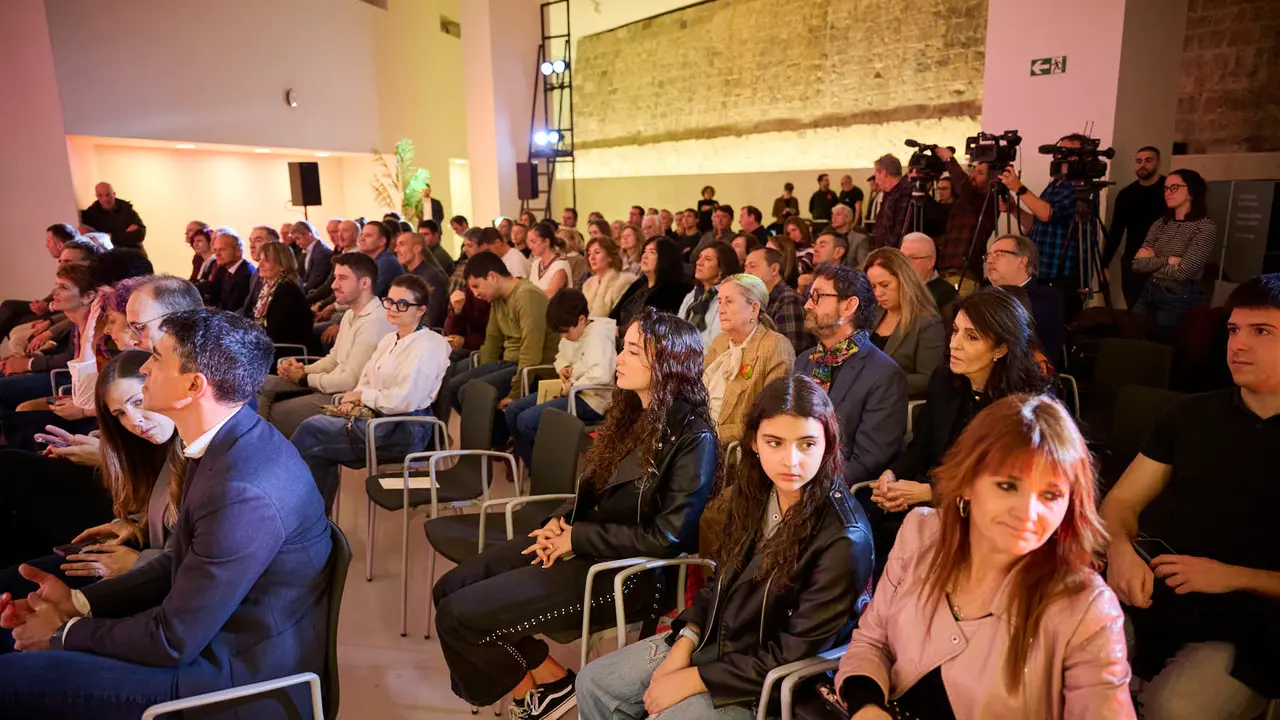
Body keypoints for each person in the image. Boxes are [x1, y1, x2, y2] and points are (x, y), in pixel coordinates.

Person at [0, 309, 333, 718]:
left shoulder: (241, 489)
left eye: (157, 357)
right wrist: (79, 602)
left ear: (194, 385)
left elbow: (172, 640)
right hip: (211, 644)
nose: (145, 365)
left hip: (233, 678)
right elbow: (177, 558)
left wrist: (61, 633)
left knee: (11, 680)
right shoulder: (225, 438)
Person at [432, 309, 718, 718]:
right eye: (624, 347)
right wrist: (561, 522)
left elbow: (665, 537)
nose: (619, 358)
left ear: (669, 363)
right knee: (448, 589)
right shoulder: (631, 411)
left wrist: (575, 538)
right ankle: (549, 681)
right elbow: (593, 487)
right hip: (587, 544)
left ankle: (530, 693)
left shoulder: (694, 437)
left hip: (631, 574)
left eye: (633, 351)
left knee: (459, 616)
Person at [576, 375, 876, 720]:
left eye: (807, 444)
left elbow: (792, 654)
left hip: (769, 682)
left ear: (828, 444)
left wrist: (695, 678)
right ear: (753, 443)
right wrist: (686, 641)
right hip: (718, 644)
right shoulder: (754, 495)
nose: (791, 461)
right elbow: (719, 582)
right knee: (593, 682)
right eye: (775, 442)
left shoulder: (845, 537)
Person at [835, 395, 1134, 719]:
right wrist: (867, 706)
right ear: (967, 483)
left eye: (1050, 495)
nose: (1028, 513)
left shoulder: (1086, 607)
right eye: (1007, 486)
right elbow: (872, 641)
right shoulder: (921, 533)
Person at [1101, 274, 1280, 719]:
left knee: (1174, 710)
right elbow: (1120, 505)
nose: (1238, 344)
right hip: (1159, 599)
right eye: (1234, 330)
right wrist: (1121, 548)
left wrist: (1233, 576)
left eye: (1262, 332)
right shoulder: (1189, 416)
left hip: (1253, 627)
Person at [869, 288, 1051, 574]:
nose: (954, 344)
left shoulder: (1026, 405)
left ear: (1000, 349)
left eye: (972, 337)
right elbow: (922, 446)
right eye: (955, 331)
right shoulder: (945, 380)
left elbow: (1008, 485)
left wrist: (930, 493)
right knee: (867, 528)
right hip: (931, 501)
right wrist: (893, 474)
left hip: (985, 521)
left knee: (895, 549)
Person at [0, 351, 178, 606]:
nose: (135, 420)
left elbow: (201, 564)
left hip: (151, 562)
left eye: (138, 402)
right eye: (120, 414)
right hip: (140, 529)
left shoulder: (205, 451)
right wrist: (133, 522)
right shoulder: (145, 438)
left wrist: (138, 560)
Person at [292, 274, 450, 512]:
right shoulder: (389, 339)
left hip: (404, 428)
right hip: (375, 418)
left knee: (312, 429)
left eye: (403, 304)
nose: (393, 309)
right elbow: (366, 378)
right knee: (316, 451)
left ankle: (303, 521)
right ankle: (314, 524)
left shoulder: (430, 345)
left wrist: (361, 397)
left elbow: (405, 400)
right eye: (390, 301)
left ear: (421, 310)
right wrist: (354, 398)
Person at [261, 253, 394, 438]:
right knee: (259, 383)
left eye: (342, 278)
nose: (333, 285)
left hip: (345, 398)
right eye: (335, 277)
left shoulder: (375, 322)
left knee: (272, 413)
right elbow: (333, 360)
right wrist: (303, 370)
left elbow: (349, 382)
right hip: (330, 385)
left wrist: (303, 379)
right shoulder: (350, 314)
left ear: (364, 283)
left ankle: (263, 456)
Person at [796, 265, 906, 487]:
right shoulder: (805, 360)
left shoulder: (884, 374)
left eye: (818, 296)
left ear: (849, 306)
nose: (808, 304)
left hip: (839, 492)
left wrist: (810, 483)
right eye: (809, 296)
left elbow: (869, 460)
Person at [442, 252, 558, 440]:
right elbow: (492, 343)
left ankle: (497, 439)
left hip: (534, 369)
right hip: (510, 363)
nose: (475, 294)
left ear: (492, 276)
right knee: (454, 387)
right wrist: (484, 374)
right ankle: (495, 439)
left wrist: (515, 393)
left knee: (469, 392)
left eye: (476, 286)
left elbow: (532, 350)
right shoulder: (497, 300)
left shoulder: (527, 295)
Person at [504, 289, 615, 467]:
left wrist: (572, 383)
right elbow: (561, 356)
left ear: (581, 320)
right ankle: (534, 464)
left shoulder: (599, 336)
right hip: (571, 391)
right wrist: (562, 367)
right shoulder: (572, 331)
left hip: (591, 400)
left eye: (565, 332)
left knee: (526, 421)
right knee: (512, 411)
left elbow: (601, 374)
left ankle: (546, 469)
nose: (563, 337)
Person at [1002, 134, 1088, 319]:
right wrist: (1014, 209)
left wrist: (1020, 188)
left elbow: (1049, 214)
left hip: (1062, 272)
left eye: (1068, 152)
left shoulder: (1077, 185)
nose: (1060, 157)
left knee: (1058, 323)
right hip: (1042, 269)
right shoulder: (1055, 185)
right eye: (1058, 152)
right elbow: (1037, 224)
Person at [703, 274, 795, 444]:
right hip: (704, 438)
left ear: (754, 308)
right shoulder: (719, 342)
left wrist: (712, 434)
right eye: (720, 301)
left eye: (729, 301)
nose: (721, 309)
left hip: (739, 448)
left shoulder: (775, 345)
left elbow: (771, 414)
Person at [1131, 169, 1219, 334]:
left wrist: (1152, 261)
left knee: (1165, 346)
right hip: (1149, 289)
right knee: (1133, 335)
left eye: (1174, 187)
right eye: (1166, 188)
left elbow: (1183, 273)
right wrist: (1169, 260)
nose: (1168, 193)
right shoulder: (1161, 224)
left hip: (1177, 296)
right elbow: (1137, 265)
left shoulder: (1204, 228)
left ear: (1191, 192)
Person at [864, 248, 946, 396]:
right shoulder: (873, 314)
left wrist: (881, 383)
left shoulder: (928, 322)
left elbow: (930, 378)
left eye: (885, 285)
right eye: (873, 287)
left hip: (896, 403)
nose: (878, 293)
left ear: (904, 281)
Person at [984, 233, 1066, 371]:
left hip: (1025, 376)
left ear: (1022, 261)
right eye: (988, 256)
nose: (990, 261)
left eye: (998, 254)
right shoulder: (983, 296)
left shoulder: (1046, 298)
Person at [1102, 146, 1166, 308]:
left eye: (1148, 160)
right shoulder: (1126, 194)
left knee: (1161, 309)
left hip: (1162, 260)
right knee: (1134, 308)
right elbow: (1116, 230)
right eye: (1138, 161)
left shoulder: (1168, 191)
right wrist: (1104, 264)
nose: (1142, 165)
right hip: (1133, 259)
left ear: (1158, 162)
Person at [933, 146, 1001, 281]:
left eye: (980, 173)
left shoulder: (989, 200)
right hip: (945, 270)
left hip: (965, 273)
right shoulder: (965, 200)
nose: (973, 176)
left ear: (992, 179)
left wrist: (949, 159)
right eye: (974, 171)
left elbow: (964, 185)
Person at [247, 241, 314, 361]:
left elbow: (278, 333)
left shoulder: (287, 292)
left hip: (286, 355)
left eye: (266, 260)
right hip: (270, 349)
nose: (259, 265)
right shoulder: (268, 289)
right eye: (260, 260)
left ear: (282, 265)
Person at [610, 237, 690, 333]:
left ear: (665, 258)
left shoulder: (673, 290)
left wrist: (619, 331)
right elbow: (614, 315)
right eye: (644, 251)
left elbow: (654, 328)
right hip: (617, 337)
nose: (644, 256)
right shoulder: (639, 284)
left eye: (652, 252)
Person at [745, 246, 811, 352]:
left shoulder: (788, 299)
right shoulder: (758, 300)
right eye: (745, 267)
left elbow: (789, 351)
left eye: (752, 266)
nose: (746, 272)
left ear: (774, 269)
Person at [679, 241, 742, 347]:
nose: (699, 262)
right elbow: (677, 331)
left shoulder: (729, 298)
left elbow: (717, 344)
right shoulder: (693, 295)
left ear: (721, 269)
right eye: (700, 257)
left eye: (707, 259)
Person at [394, 231, 449, 328]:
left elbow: (431, 317)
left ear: (417, 248)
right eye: (396, 245)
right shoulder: (409, 274)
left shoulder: (431, 276)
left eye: (402, 245)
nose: (396, 250)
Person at [900, 232, 958, 315]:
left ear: (930, 262)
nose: (904, 263)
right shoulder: (895, 287)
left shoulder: (946, 295)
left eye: (911, 258)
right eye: (902, 258)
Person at [198, 230, 255, 312]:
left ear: (238, 251)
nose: (217, 254)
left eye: (222, 249)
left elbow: (233, 309)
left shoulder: (245, 274)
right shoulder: (226, 270)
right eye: (215, 250)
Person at [581, 236, 636, 318]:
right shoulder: (588, 285)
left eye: (597, 252)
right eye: (589, 254)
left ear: (610, 257)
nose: (592, 258)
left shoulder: (623, 282)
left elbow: (620, 318)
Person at [78, 182, 145, 250]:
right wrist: (124, 234)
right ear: (97, 196)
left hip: (133, 254)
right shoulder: (91, 214)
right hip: (110, 256)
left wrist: (110, 236)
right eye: (100, 195)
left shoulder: (126, 209)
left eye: (108, 195)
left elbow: (140, 234)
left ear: (114, 194)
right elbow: (91, 240)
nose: (105, 199)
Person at [871, 155, 912, 250]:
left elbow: (898, 232)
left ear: (884, 173)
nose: (876, 181)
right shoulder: (889, 194)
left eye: (876, 176)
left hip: (895, 256)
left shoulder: (904, 193)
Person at [358, 220, 406, 297]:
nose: (361, 239)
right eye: (361, 235)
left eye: (368, 235)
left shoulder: (387, 262)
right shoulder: (373, 261)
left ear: (382, 241)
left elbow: (368, 295)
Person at [290, 220, 334, 298]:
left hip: (317, 294)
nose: (297, 243)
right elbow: (300, 276)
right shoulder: (304, 252)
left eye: (298, 238)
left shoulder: (322, 252)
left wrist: (296, 294)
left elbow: (315, 281)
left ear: (308, 234)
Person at [527, 221, 573, 297]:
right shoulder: (536, 263)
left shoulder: (560, 266)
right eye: (529, 242)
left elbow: (551, 294)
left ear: (546, 242)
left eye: (534, 242)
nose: (530, 247)